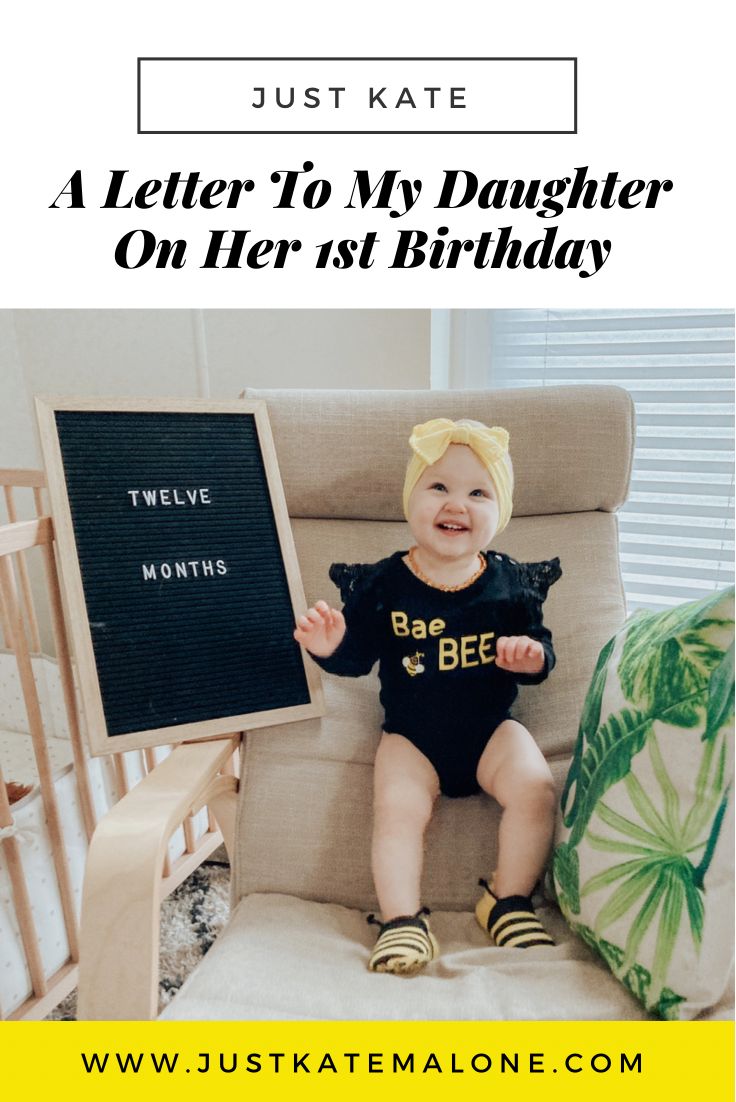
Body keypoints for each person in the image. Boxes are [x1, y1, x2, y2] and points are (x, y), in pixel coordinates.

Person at [293, 418, 561, 976]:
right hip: (411, 737)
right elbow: (357, 657)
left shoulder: (509, 582)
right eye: (438, 486)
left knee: (536, 791)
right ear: (410, 499)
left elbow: (539, 644)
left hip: (491, 729)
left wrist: (531, 658)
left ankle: (507, 900)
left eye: (477, 492)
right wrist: (331, 645)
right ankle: (402, 921)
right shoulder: (385, 583)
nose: (455, 503)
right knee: (396, 812)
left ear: (499, 512)